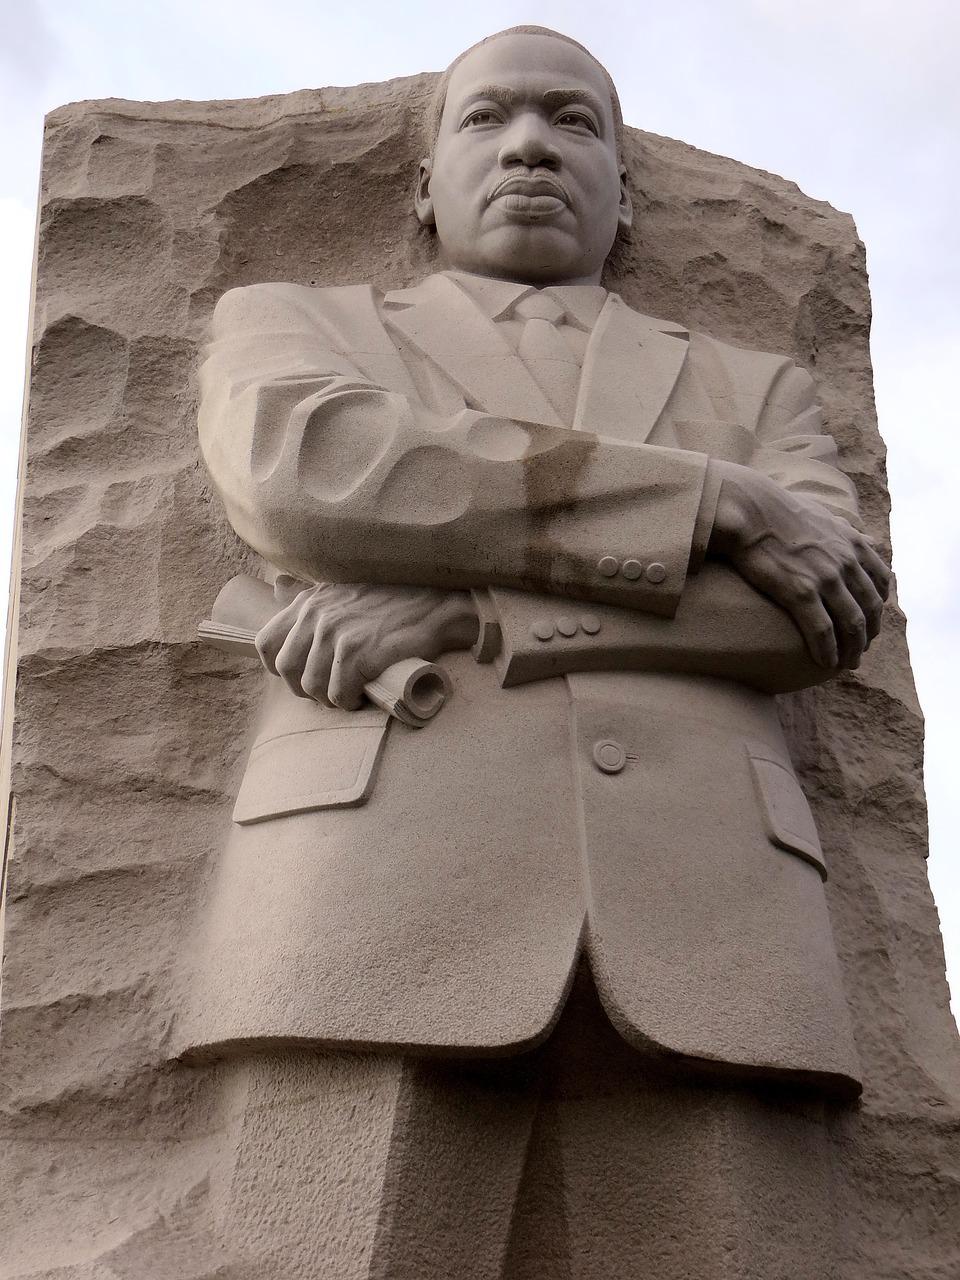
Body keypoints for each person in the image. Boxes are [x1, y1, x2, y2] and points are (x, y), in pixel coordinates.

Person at [182, 26, 890, 1279]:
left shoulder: (755, 385)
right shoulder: (297, 326)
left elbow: (815, 615)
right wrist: (709, 504)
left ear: (628, 191)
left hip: (716, 909)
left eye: (572, 121)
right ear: (421, 185)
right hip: (371, 885)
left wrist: (472, 617)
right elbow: (319, 476)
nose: (527, 146)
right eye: (486, 119)